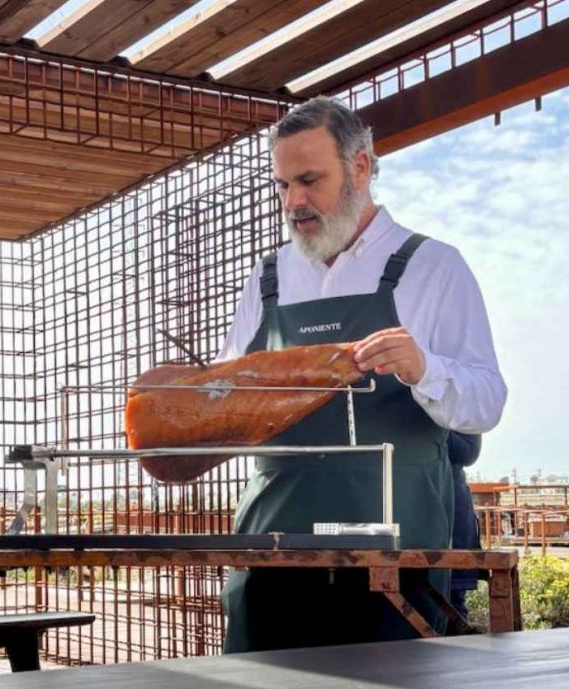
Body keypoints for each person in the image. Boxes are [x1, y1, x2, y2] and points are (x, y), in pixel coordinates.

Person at [215, 96, 507, 653]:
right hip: (272, 554)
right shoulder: (268, 277)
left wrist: (425, 368)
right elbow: (232, 402)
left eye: (309, 180)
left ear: (361, 167)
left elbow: (486, 400)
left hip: (395, 565)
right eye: (282, 185)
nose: (294, 201)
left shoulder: (431, 266)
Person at [447, 431, 483, 622]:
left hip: (453, 517)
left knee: (453, 608)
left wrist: (435, 430)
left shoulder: (458, 406)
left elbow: (469, 451)